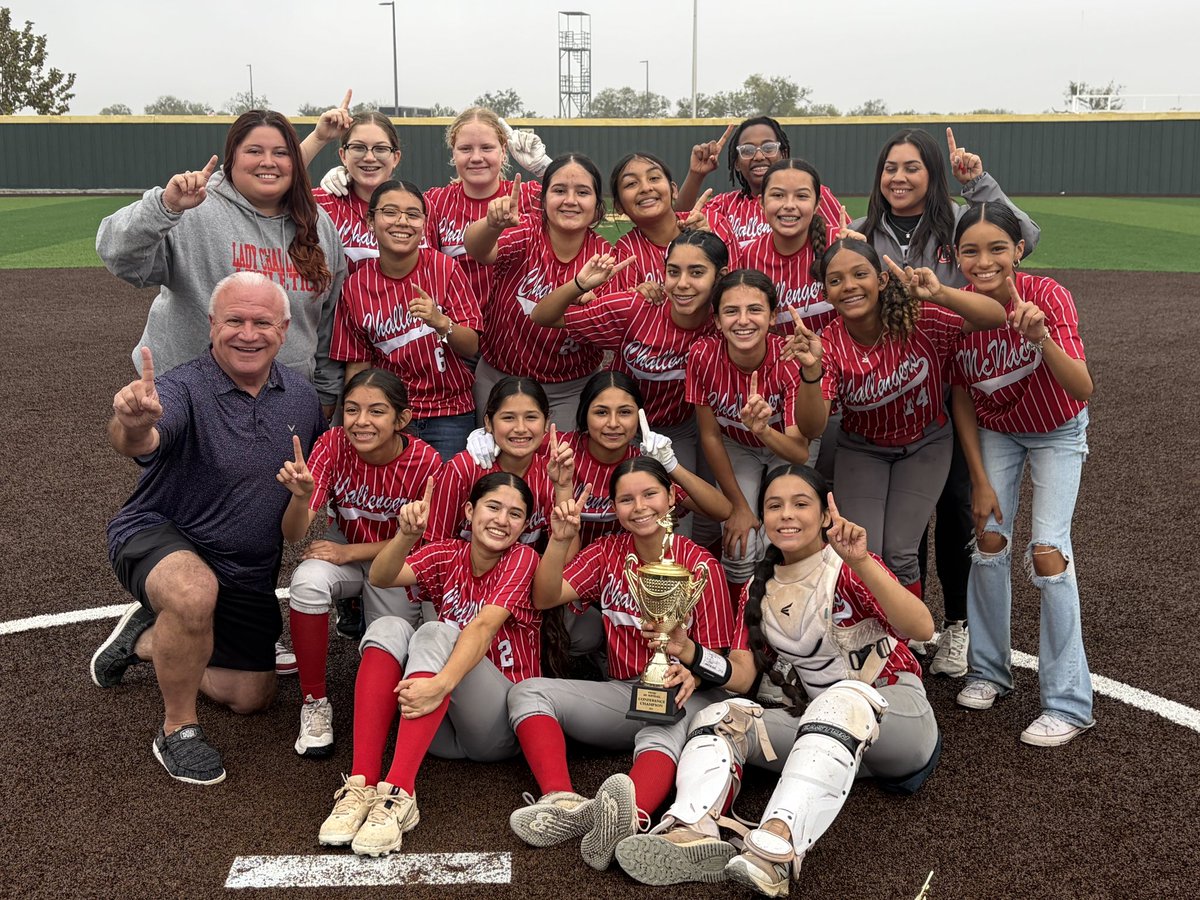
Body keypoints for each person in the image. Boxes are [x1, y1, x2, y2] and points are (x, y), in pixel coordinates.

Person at [614, 465, 939, 896]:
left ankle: (775, 851)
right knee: (719, 716)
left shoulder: (848, 565)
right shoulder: (755, 586)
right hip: (824, 736)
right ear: (763, 517)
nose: (787, 514)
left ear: (826, 515)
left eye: (801, 504)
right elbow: (742, 674)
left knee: (843, 698)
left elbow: (920, 626)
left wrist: (860, 559)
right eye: (774, 505)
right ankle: (692, 828)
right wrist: (688, 651)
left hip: (897, 720)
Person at [90, 272, 326, 785]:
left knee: (253, 697)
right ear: (212, 324)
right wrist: (133, 423)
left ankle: (148, 639)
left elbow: (302, 506)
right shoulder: (182, 386)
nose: (248, 333)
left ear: (284, 329)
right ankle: (178, 730)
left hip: (245, 566)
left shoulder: (303, 400)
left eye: (262, 322)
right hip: (160, 532)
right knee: (194, 592)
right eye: (234, 321)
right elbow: (141, 439)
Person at [851, 126, 1042, 676]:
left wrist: (979, 185)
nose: (900, 178)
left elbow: (1026, 234)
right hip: (896, 391)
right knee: (897, 527)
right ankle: (900, 623)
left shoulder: (959, 221)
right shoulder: (864, 234)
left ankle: (957, 625)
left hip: (959, 384)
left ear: (932, 174)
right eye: (891, 168)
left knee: (957, 507)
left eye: (912, 167)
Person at [506, 458, 735, 872]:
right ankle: (563, 802)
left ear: (671, 498)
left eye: (650, 494)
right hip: (624, 692)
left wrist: (694, 671)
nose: (640, 506)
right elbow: (544, 597)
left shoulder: (702, 565)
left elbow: (723, 657)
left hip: (688, 694)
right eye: (626, 499)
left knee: (663, 725)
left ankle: (632, 815)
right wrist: (560, 540)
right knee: (528, 691)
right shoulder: (608, 552)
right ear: (614, 507)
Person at [317, 473, 544, 857]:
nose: (502, 520)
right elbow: (381, 575)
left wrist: (441, 683)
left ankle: (401, 793)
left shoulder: (523, 558)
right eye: (493, 507)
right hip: (438, 724)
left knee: (436, 631)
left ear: (524, 526)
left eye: (515, 514)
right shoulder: (447, 552)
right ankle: (362, 784)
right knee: (389, 626)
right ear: (470, 511)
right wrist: (405, 536)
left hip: (497, 724)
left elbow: (485, 626)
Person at [949, 203, 1095, 747]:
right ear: (956, 256)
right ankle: (989, 671)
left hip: (1058, 428)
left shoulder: (1049, 296)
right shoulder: (956, 312)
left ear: (1019, 251)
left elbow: (1081, 388)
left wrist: (1042, 339)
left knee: (1048, 551)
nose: (983, 261)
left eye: (996, 249)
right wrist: (978, 478)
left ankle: (1068, 704)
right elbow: (962, 395)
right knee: (989, 539)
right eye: (970, 250)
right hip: (998, 431)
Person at [793, 238, 1006, 601]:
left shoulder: (919, 318)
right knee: (864, 552)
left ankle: (905, 646)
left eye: (860, 274)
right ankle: (874, 641)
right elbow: (812, 428)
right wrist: (811, 372)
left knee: (900, 552)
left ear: (882, 280)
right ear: (826, 293)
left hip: (925, 444)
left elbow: (996, 315)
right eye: (836, 280)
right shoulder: (826, 342)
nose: (849, 286)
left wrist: (940, 294)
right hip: (863, 448)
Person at [96, 109, 347, 417]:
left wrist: (322, 390)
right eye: (254, 151)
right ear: (232, 159)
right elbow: (117, 253)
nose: (268, 161)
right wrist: (166, 206)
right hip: (193, 399)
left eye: (280, 153)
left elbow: (329, 323)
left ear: (294, 161)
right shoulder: (195, 210)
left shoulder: (319, 225)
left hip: (283, 401)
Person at [277, 368, 443, 759]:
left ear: (402, 419)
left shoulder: (427, 461)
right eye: (352, 410)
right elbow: (293, 534)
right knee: (307, 581)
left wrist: (350, 552)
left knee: (393, 643)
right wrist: (300, 498)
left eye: (377, 411)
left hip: (396, 561)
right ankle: (314, 702)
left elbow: (425, 540)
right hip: (347, 551)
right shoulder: (333, 443)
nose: (361, 421)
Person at [530, 230, 728, 477]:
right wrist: (579, 285)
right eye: (673, 272)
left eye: (696, 272)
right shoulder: (637, 308)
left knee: (676, 509)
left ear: (719, 277)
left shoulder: (725, 322)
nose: (682, 283)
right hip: (620, 428)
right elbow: (542, 316)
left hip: (676, 429)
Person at [463, 154, 635, 430]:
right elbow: (479, 250)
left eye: (582, 192)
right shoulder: (528, 232)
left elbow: (610, 326)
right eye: (559, 191)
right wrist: (491, 225)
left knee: (557, 464)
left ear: (597, 207)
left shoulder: (607, 257)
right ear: (542, 201)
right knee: (498, 466)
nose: (570, 200)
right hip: (500, 377)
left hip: (569, 389)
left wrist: (594, 304)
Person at [330, 180, 483, 460]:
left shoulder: (444, 267)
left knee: (444, 498)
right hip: (390, 414)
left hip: (448, 413)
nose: (402, 222)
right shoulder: (355, 286)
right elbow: (358, 365)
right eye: (390, 212)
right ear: (371, 221)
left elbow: (471, 345)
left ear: (424, 224)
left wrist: (441, 322)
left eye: (413, 215)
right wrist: (348, 425)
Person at [685, 270, 812, 591]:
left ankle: (786, 625)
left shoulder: (788, 358)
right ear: (716, 321)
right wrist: (738, 508)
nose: (743, 320)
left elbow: (799, 452)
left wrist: (764, 430)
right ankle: (741, 630)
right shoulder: (702, 355)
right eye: (731, 311)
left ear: (772, 317)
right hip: (737, 446)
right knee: (739, 543)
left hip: (784, 446)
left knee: (782, 538)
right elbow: (710, 435)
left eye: (755, 309)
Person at [428, 377, 574, 548]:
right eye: (508, 418)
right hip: (461, 571)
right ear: (488, 423)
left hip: (527, 573)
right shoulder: (462, 469)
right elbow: (435, 542)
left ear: (546, 423)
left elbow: (565, 559)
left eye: (531, 417)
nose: (520, 428)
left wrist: (563, 489)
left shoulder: (554, 471)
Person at [674, 117, 842, 250]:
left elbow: (846, 241)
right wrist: (696, 174)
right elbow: (680, 222)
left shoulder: (810, 195)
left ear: (783, 154)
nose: (759, 156)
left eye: (768, 148)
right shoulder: (725, 205)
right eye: (747, 151)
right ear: (737, 164)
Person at [737, 159, 840, 338]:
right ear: (761, 202)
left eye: (801, 196)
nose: (789, 205)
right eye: (778, 195)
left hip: (838, 360)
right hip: (777, 362)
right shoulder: (746, 257)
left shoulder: (840, 245)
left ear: (817, 204)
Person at [607, 152, 737, 286]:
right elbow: (628, 303)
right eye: (631, 183)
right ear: (618, 206)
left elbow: (736, 289)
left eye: (654, 178)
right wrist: (641, 295)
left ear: (674, 190)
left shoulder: (714, 222)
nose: (646, 188)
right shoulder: (626, 251)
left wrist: (710, 244)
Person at [300, 101, 404, 270]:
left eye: (380, 148)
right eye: (358, 147)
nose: (369, 157)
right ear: (343, 155)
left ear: (396, 157)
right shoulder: (320, 204)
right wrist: (318, 138)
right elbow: (279, 181)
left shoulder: (419, 208)